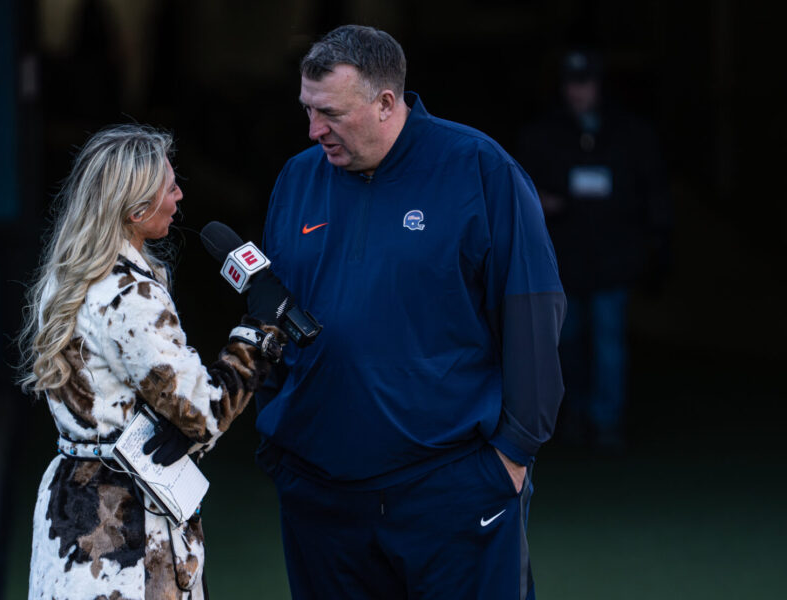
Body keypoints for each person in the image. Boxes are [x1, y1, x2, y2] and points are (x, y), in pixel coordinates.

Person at [256, 25, 565, 599]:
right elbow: (271, 310)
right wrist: (280, 443)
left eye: (331, 113)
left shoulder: (480, 169)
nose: (314, 129)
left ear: (386, 103)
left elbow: (532, 315)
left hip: (451, 492)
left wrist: (512, 456)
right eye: (307, 109)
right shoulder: (298, 178)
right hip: (321, 499)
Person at [19, 124, 285, 600]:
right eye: (170, 187)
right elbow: (203, 414)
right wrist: (258, 332)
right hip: (123, 525)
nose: (180, 196)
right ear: (136, 209)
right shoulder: (132, 293)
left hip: (68, 498)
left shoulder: (64, 278)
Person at [516, 50, 671, 453]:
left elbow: (651, 191)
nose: (578, 92)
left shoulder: (629, 134)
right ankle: (575, 415)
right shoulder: (543, 134)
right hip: (563, 260)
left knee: (609, 342)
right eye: (572, 83)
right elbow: (519, 190)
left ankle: (606, 422)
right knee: (566, 341)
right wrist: (542, 202)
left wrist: (654, 243)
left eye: (585, 83)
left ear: (599, 86)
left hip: (614, 257)